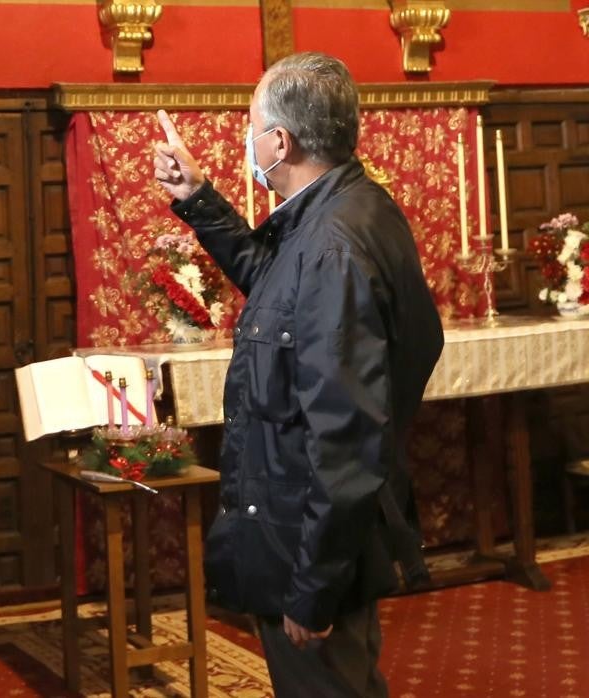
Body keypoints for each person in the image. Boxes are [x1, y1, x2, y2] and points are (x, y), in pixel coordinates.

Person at [153, 52, 444, 696]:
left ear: (278, 141)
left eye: (252, 128)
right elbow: (278, 287)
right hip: (311, 528)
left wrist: (312, 585)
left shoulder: (334, 244)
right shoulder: (347, 209)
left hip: (307, 541)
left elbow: (345, 437)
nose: (248, 141)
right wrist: (198, 200)